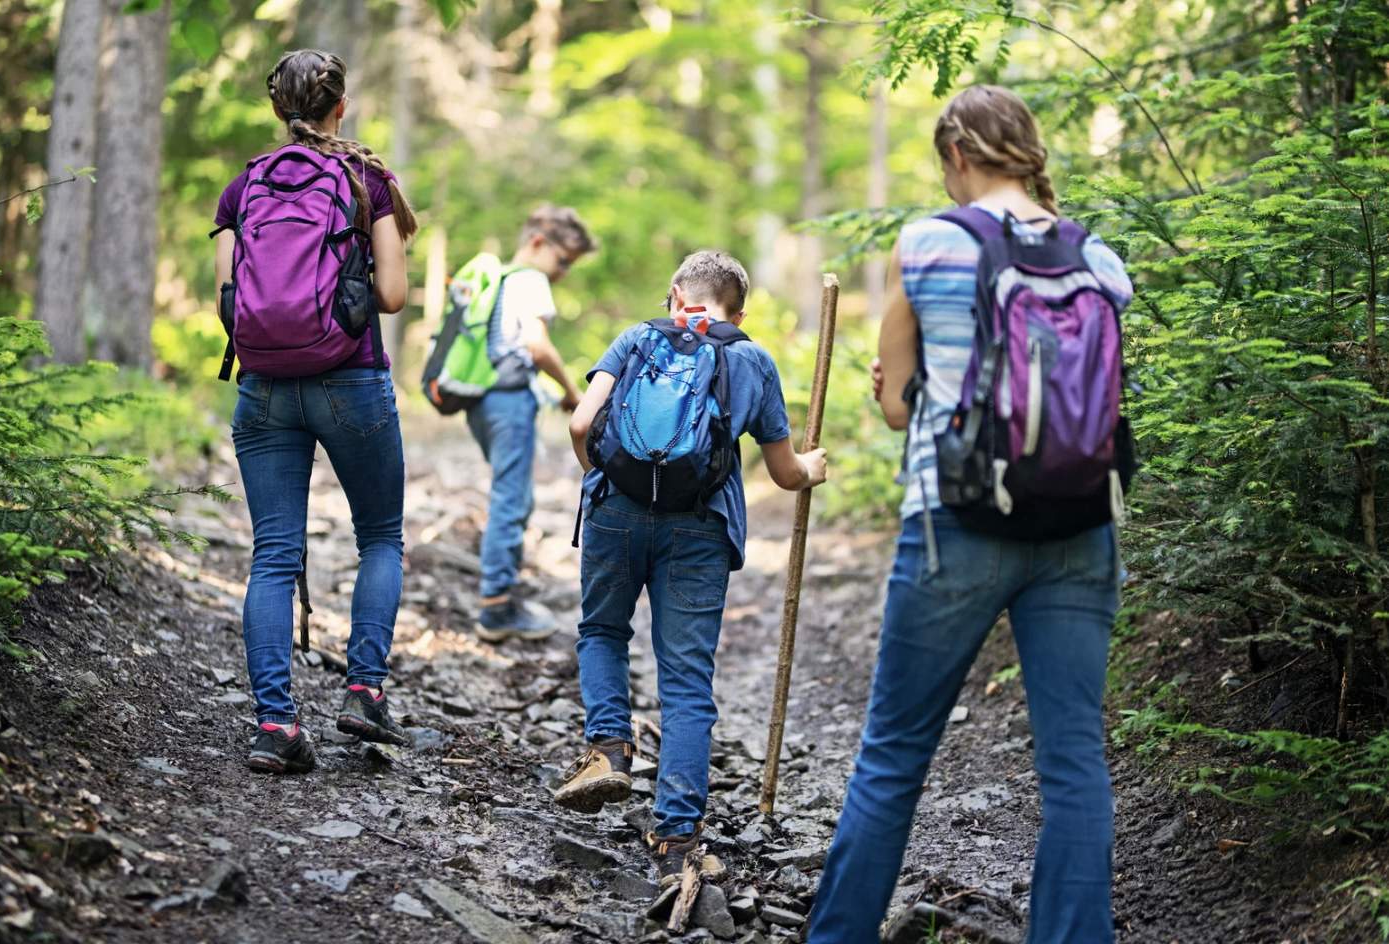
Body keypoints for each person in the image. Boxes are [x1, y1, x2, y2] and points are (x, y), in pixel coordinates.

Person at [808, 85, 1134, 942]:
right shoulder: (1097, 258)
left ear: (957, 156)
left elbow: (897, 408)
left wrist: (898, 381)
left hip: (954, 524)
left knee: (892, 758)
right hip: (1080, 526)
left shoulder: (926, 243)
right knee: (1073, 766)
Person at [558, 250, 829, 884]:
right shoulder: (753, 360)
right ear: (740, 309)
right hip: (701, 527)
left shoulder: (634, 339)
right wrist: (813, 468)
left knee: (602, 631)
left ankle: (608, 748)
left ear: (676, 294)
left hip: (615, 512)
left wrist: (606, 480)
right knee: (685, 679)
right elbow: (785, 472)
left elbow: (581, 422)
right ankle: (676, 836)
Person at [213, 49, 418, 774]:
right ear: (342, 106)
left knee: (272, 556)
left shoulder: (244, 186)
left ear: (279, 108)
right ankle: (363, 690)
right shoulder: (368, 181)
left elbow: (228, 302)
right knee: (381, 538)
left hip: (262, 389)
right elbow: (391, 298)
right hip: (351, 380)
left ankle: (276, 726)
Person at [470, 207, 596, 642]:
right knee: (512, 498)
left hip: (483, 400)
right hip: (510, 400)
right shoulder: (529, 280)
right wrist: (570, 389)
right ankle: (496, 606)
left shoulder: (500, 279)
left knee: (510, 494)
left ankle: (500, 592)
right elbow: (536, 345)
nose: (562, 272)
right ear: (539, 242)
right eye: (563, 261)